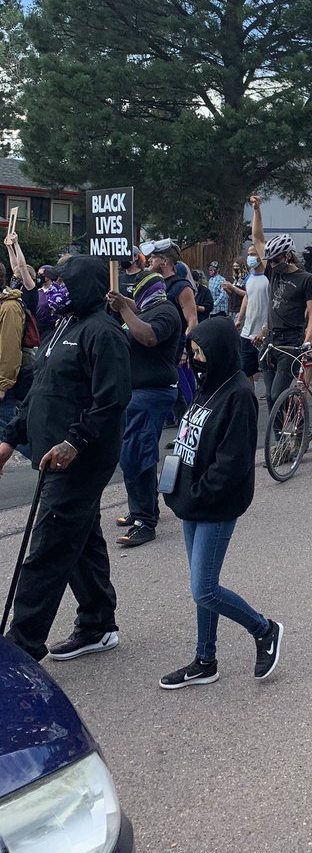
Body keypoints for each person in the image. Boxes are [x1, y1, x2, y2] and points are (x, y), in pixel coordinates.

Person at [0, 257, 131, 662]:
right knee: (82, 539)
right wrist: (10, 438)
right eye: (51, 281)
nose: (53, 288)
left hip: (80, 460)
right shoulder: (64, 325)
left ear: (85, 286)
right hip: (49, 455)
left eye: (62, 282)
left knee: (48, 550)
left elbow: (111, 400)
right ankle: (97, 624)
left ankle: (21, 649)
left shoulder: (103, 332)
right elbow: (41, 390)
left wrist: (74, 441)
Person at [159, 317, 282, 687]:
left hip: (214, 504)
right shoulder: (206, 385)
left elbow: (232, 465)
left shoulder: (239, 395)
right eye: (193, 352)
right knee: (203, 584)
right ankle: (205, 659)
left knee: (205, 588)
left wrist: (194, 494)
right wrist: (175, 481)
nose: (195, 359)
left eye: (201, 353)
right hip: (191, 501)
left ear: (220, 352)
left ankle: (264, 630)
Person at [106, 271, 182, 548]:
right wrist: (121, 306)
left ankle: (145, 522)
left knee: (137, 452)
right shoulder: (145, 310)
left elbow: (148, 337)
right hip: (136, 392)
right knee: (133, 451)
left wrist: (125, 308)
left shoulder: (165, 312)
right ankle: (143, 507)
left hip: (153, 393)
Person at [248, 197, 312, 412]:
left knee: (279, 393)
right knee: (269, 396)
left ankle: (296, 423)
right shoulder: (272, 271)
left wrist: (307, 343)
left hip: (292, 341)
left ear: (288, 255)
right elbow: (258, 239)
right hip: (271, 339)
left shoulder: (305, 279)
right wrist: (257, 211)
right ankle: (280, 439)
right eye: (271, 260)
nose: (273, 264)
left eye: (277, 259)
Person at [235, 248, 270, 380]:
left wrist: (265, 329)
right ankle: (250, 399)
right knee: (245, 372)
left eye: (253, 254)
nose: (250, 257)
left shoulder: (269, 278)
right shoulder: (249, 278)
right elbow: (247, 297)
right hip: (247, 332)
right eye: (249, 254)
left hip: (264, 334)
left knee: (267, 371)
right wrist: (239, 318)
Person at [0, 259, 26, 431]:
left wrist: (3, 384)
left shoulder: (9, 307)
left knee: (5, 437)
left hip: (2, 390)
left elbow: (10, 349)